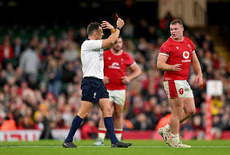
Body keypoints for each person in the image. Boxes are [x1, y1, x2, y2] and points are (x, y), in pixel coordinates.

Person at [62, 17, 132, 148]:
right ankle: (68, 139)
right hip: (90, 81)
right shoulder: (88, 44)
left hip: (99, 82)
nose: (102, 34)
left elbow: (114, 41)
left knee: (107, 110)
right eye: (101, 32)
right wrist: (118, 27)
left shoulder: (96, 43)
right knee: (83, 113)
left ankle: (114, 142)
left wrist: (113, 28)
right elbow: (111, 40)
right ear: (95, 34)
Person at [157, 19, 203, 148]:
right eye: (171, 29)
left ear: (182, 29)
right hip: (172, 80)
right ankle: (175, 140)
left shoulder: (188, 42)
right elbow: (159, 64)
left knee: (190, 110)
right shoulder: (167, 45)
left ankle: (166, 129)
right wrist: (171, 68)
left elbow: (195, 60)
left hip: (184, 80)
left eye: (176, 29)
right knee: (177, 111)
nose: (173, 32)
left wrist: (199, 74)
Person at [93, 35, 141, 146]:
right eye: (116, 42)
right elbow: (94, 68)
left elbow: (138, 71)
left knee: (119, 114)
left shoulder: (126, 56)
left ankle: (117, 139)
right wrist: (101, 78)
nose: (118, 44)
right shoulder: (105, 55)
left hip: (120, 90)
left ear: (122, 43)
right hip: (106, 89)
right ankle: (100, 139)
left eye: (120, 42)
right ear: (112, 43)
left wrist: (129, 78)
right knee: (106, 112)